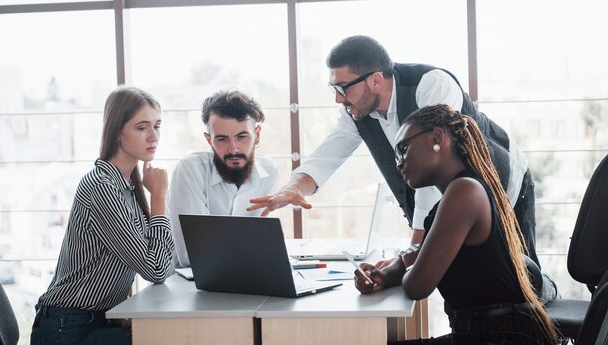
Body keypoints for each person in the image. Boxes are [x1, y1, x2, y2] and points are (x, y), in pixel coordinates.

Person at [248, 35, 540, 268]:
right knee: (464, 287)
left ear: (375, 79)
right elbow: (330, 151)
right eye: (333, 87)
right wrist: (291, 188)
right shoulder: (357, 111)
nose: (338, 98)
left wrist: (411, 251)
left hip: (505, 186)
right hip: (453, 210)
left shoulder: (431, 85)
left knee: (521, 284)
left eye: (343, 87)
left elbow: (433, 173)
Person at [353, 104, 558, 345]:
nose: (398, 163)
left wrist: (405, 267)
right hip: (485, 333)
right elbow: (425, 254)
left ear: (437, 138)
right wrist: (390, 270)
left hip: (501, 337)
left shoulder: (464, 192)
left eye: (403, 150)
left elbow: (417, 286)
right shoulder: (457, 193)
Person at [30, 86, 174, 345]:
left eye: (157, 126)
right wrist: (160, 198)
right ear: (118, 131)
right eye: (142, 128)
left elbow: (161, 259)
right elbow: (156, 269)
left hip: (96, 320)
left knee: (169, 334)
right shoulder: (102, 187)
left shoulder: (128, 186)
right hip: (67, 329)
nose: (154, 136)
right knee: (168, 339)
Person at [168, 89, 279, 267]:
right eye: (222, 139)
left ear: (257, 135)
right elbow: (192, 254)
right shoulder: (190, 170)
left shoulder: (268, 172)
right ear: (209, 140)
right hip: (186, 284)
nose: (233, 149)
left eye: (241, 137)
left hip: (241, 274)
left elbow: (259, 242)